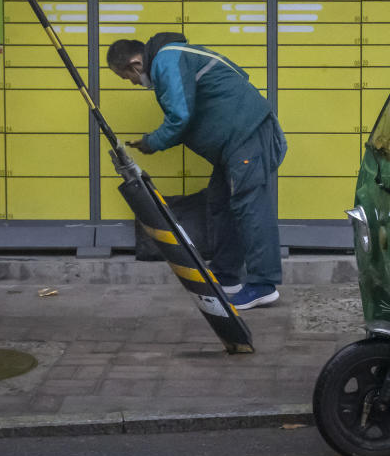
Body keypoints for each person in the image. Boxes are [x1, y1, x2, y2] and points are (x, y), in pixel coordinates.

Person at [107, 33, 287, 310]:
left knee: (250, 205)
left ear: (134, 65)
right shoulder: (174, 57)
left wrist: (152, 142)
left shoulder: (166, 60)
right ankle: (227, 277)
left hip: (246, 135)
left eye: (126, 77)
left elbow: (180, 115)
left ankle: (263, 285)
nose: (132, 83)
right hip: (235, 141)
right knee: (221, 202)